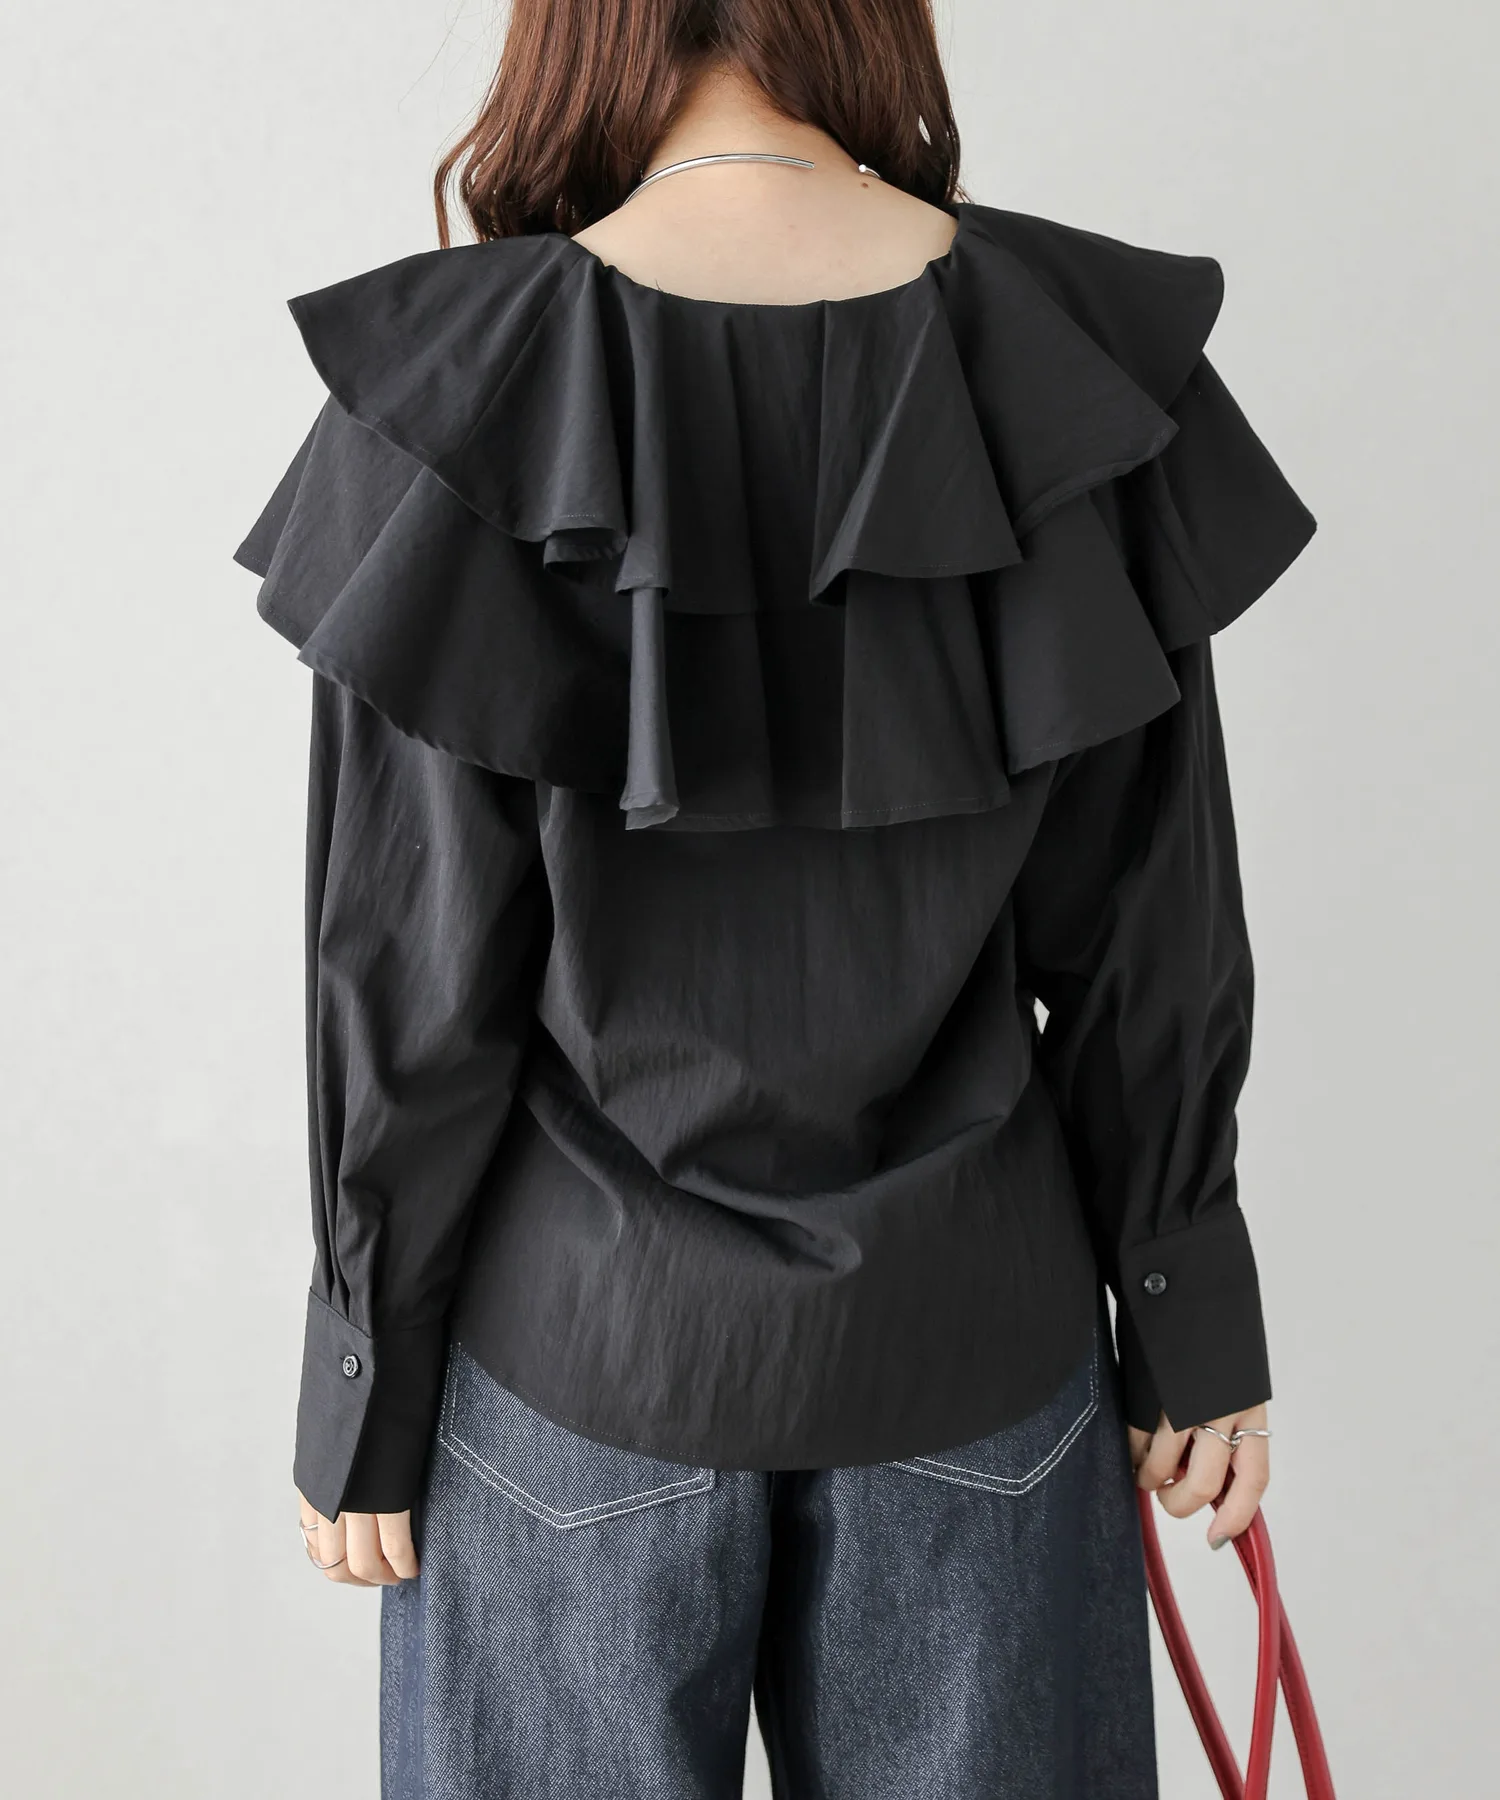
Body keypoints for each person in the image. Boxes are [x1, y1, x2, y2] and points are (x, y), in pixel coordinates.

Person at [235, 2, 1315, 1792]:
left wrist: (361, 1369)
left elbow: (410, 965)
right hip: (976, 1347)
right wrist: (1185, 1302)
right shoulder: (1066, 364)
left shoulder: (460, 398)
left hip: (575, 1364)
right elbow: (1151, 916)